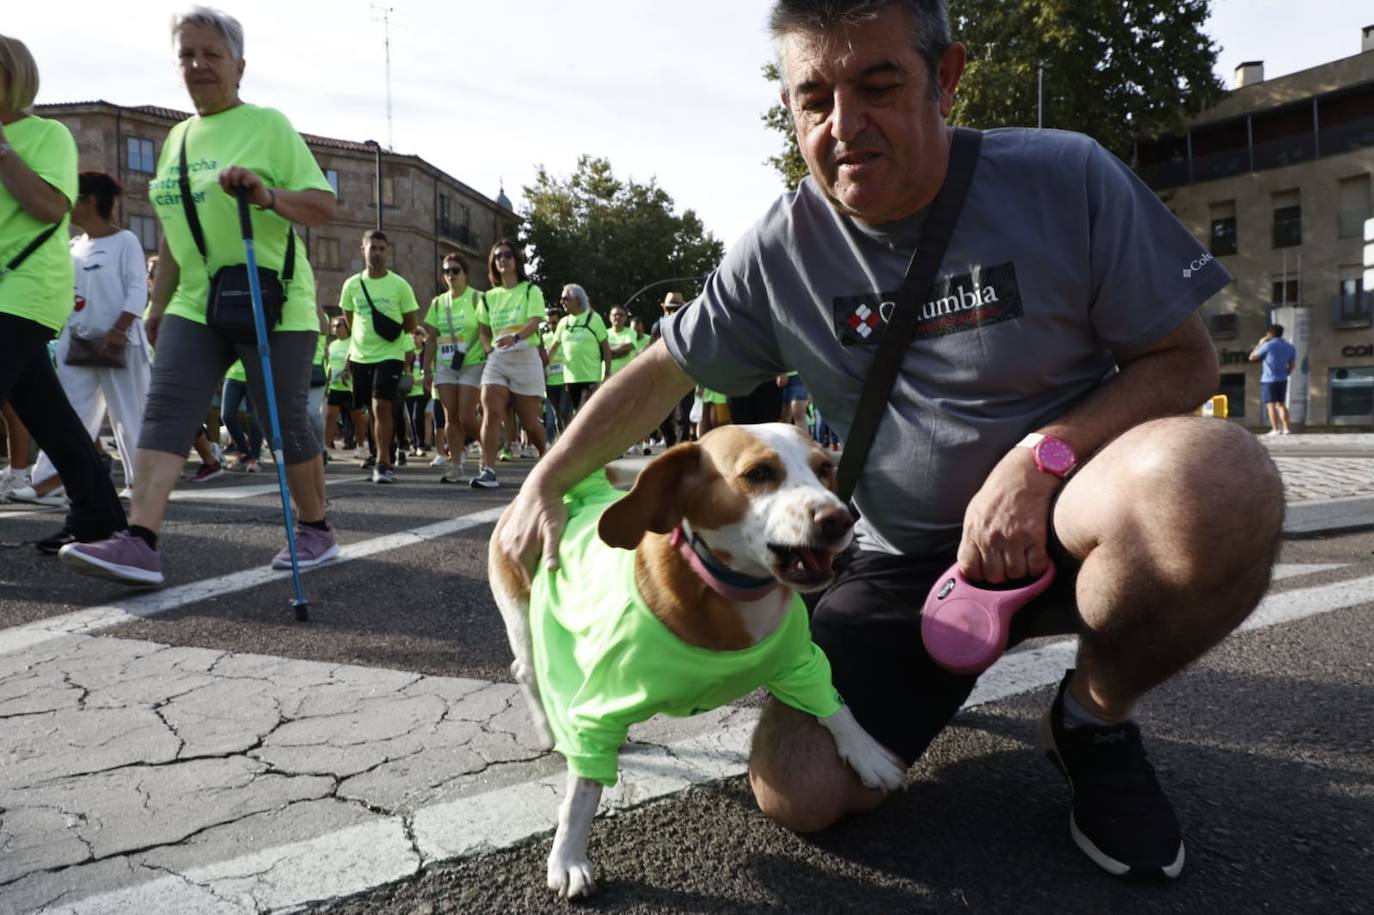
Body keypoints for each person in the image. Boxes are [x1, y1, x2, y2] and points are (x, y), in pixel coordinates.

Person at [494, 0, 1284, 884]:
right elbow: (662, 369)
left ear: (946, 78)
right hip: (907, 556)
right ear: (789, 107)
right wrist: (547, 479)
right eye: (814, 98)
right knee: (799, 791)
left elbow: (1184, 361)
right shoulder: (779, 248)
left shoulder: (1068, 175)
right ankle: (946, 656)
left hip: (1078, 519)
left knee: (1217, 480)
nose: (845, 125)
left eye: (878, 85)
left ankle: (1095, 716)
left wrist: (1040, 458)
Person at [60, 8, 339, 585]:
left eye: (211, 54)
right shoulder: (177, 140)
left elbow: (322, 206)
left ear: (239, 65)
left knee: (283, 418)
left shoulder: (268, 125)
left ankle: (315, 528)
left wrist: (265, 195)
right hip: (196, 300)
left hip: (273, 297)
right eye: (187, 54)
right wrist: (160, 306)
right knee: (165, 410)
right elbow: (172, 231)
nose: (198, 65)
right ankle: (140, 541)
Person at [0, 34, 128, 551]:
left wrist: (3, 151)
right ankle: (98, 515)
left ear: (14, 74)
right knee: (47, 412)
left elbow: (51, 207)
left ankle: (99, 515)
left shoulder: (47, 134)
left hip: (26, 288)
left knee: (40, 407)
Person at [19, 172, 151, 516]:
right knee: (66, 412)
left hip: (119, 343)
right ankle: (49, 482)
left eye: (72, 196)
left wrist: (119, 330)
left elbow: (138, 290)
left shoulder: (126, 242)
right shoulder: (74, 245)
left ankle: (142, 485)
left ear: (89, 200)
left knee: (129, 415)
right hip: (77, 342)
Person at [338, 229, 419, 484]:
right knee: (369, 410)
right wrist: (354, 352)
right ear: (362, 250)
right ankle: (379, 451)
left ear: (388, 252)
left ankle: (384, 463)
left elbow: (410, 324)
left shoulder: (399, 285)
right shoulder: (351, 285)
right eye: (373, 248)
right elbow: (350, 320)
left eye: (382, 249)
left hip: (391, 354)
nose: (378, 253)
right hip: (361, 356)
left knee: (381, 406)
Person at [470, 239, 547, 489]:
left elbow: (535, 321)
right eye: (497, 257)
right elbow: (483, 330)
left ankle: (548, 459)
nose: (502, 259)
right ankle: (488, 470)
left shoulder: (530, 290)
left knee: (529, 422)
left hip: (525, 354)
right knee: (490, 412)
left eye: (507, 255)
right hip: (498, 358)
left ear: (516, 260)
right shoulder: (488, 297)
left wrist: (515, 337)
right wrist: (487, 347)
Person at [422, 252, 485, 483]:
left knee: (466, 415)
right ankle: (456, 465)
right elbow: (431, 337)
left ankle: (487, 445)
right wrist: (427, 370)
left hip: (472, 362)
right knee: (450, 417)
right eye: (446, 271)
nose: (450, 275)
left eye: (455, 271)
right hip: (446, 365)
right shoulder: (438, 303)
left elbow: (485, 331)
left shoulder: (478, 298)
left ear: (465, 274)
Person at [651, 291, 694, 446]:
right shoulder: (658, 327)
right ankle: (670, 442)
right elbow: (653, 350)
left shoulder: (690, 324)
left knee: (683, 415)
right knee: (662, 415)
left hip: (685, 374)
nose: (673, 312)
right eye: (670, 308)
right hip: (664, 375)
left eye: (677, 308)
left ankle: (680, 446)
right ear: (664, 309)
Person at [323, 315, 365, 455]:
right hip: (335, 387)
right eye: (334, 326)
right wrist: (327, 383)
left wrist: (347, 370)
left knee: (357, 417)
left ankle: (360, 447)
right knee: (330, 416)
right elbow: (330, 365)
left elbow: (354, 358)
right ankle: (327, 448)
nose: (336, 329)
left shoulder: (354, 341)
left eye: (339, 325)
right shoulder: (333, 345)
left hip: (351, 387)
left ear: (347, 327)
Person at [1249, 324, 1296, 435]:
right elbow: (1292, 365)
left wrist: (1259, 344)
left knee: (1270, 405)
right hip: (1282, 378)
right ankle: (1286, 429)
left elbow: (1252, 357)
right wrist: (1286, 373)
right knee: (1281, 404)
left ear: (1270, 333)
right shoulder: (1289, 346)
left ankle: (1275, 429)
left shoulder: (1268, 345)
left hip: (1268, 379)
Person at [605, 304, 638, 377]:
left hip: (625, 376)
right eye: (615, 315)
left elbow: (629, 346)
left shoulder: (631, 332)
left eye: (621, 315)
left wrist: (608, 351)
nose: (617, 317)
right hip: (606, 376)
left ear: (625, 318)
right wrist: (619, 350)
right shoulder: (604, 333)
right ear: (610, 317)